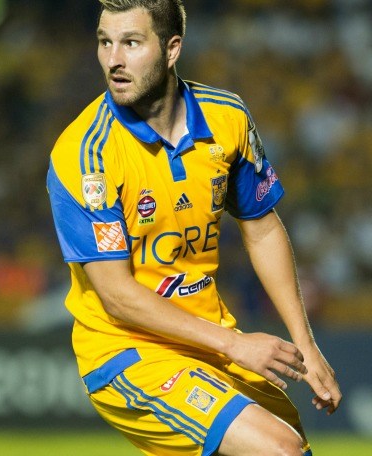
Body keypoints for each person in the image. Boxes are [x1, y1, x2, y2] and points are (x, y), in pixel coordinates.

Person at [46, 1, 342, 454]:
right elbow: (117, 296)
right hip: (129, 351)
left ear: (172, 49)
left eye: (131, 43)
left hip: (208, 340)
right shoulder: (86, 155)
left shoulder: (227, 117)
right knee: (279, 449)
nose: (113, 59)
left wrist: (307, 344)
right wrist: (236, 345)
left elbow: (262, 227)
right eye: (105, 42)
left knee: (292, 443)